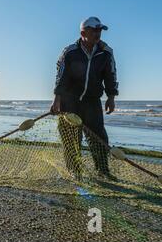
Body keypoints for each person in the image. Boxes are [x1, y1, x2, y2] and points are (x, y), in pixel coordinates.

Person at [50, 17, 119, 181]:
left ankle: (102, 170)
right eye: (94, 30)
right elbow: (61, 76)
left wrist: (111, 97)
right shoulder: (70, 51)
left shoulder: (106, 52)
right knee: (71, 138)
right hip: (69, 101)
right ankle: (75, 171)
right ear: (83, 32)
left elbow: (111, 75)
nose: (98, 33)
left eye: (100, 30)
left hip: (92, 101)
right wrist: (57, 99)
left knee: (99, 138)